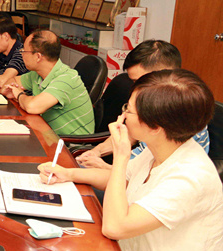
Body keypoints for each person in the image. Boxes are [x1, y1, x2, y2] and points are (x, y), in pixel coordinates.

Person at [40, 69, 223, 251]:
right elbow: (122, 181)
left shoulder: (190, 177)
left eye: (129, 110)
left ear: (155, 126)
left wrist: (122, 154)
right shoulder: (161, 148)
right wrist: (69, 174)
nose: (123, 115)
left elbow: (115, 226)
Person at [76, 40, 209, 168]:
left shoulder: (182, 113)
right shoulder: (152, 103)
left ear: (164, 76)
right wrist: (96, 152)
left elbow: (139, 176)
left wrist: (102, 166)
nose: (136, 87)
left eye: (139, 81)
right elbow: (129, 135)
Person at [2, 30, 94, 135]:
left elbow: (32, 106)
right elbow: (11, 81)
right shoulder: (37, 74)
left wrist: (18, 94)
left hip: (70, 142)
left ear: (38, 57)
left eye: (24, 51)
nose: (21, 54)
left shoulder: (66, 79)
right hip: (48, 133)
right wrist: (11, 89)